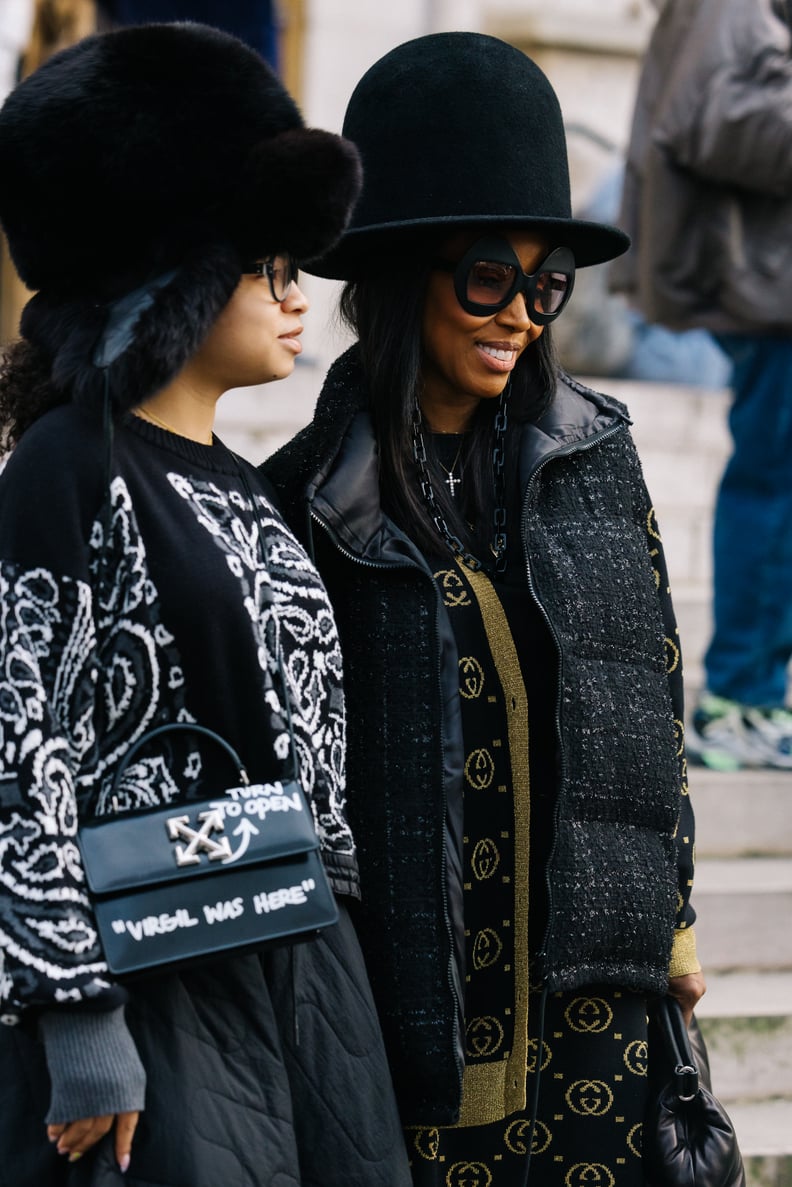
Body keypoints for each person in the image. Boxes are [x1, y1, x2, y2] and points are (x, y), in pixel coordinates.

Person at [263, 31, 705, 1187]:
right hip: (422, 1012)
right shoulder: (304, 504)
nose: (522, 313)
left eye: (547, 282)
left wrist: (681, 919)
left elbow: (647, 699)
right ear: (409, 277)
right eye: (489, 278)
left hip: (598, 1002)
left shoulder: (597, 452)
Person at [0, 22, 410, 1187]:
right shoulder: (65, 469)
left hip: (307, 969)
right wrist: (74, 1014)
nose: (296, 297)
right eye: (269, 263)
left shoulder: (248, 484)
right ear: (176, 273)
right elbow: (17, 744)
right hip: (158, 975)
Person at [612, 0, 792, 771]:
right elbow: (714, 114)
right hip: (768, 283)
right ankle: (740, 697)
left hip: (769, 274)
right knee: (775, 480)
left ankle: (752, 691)